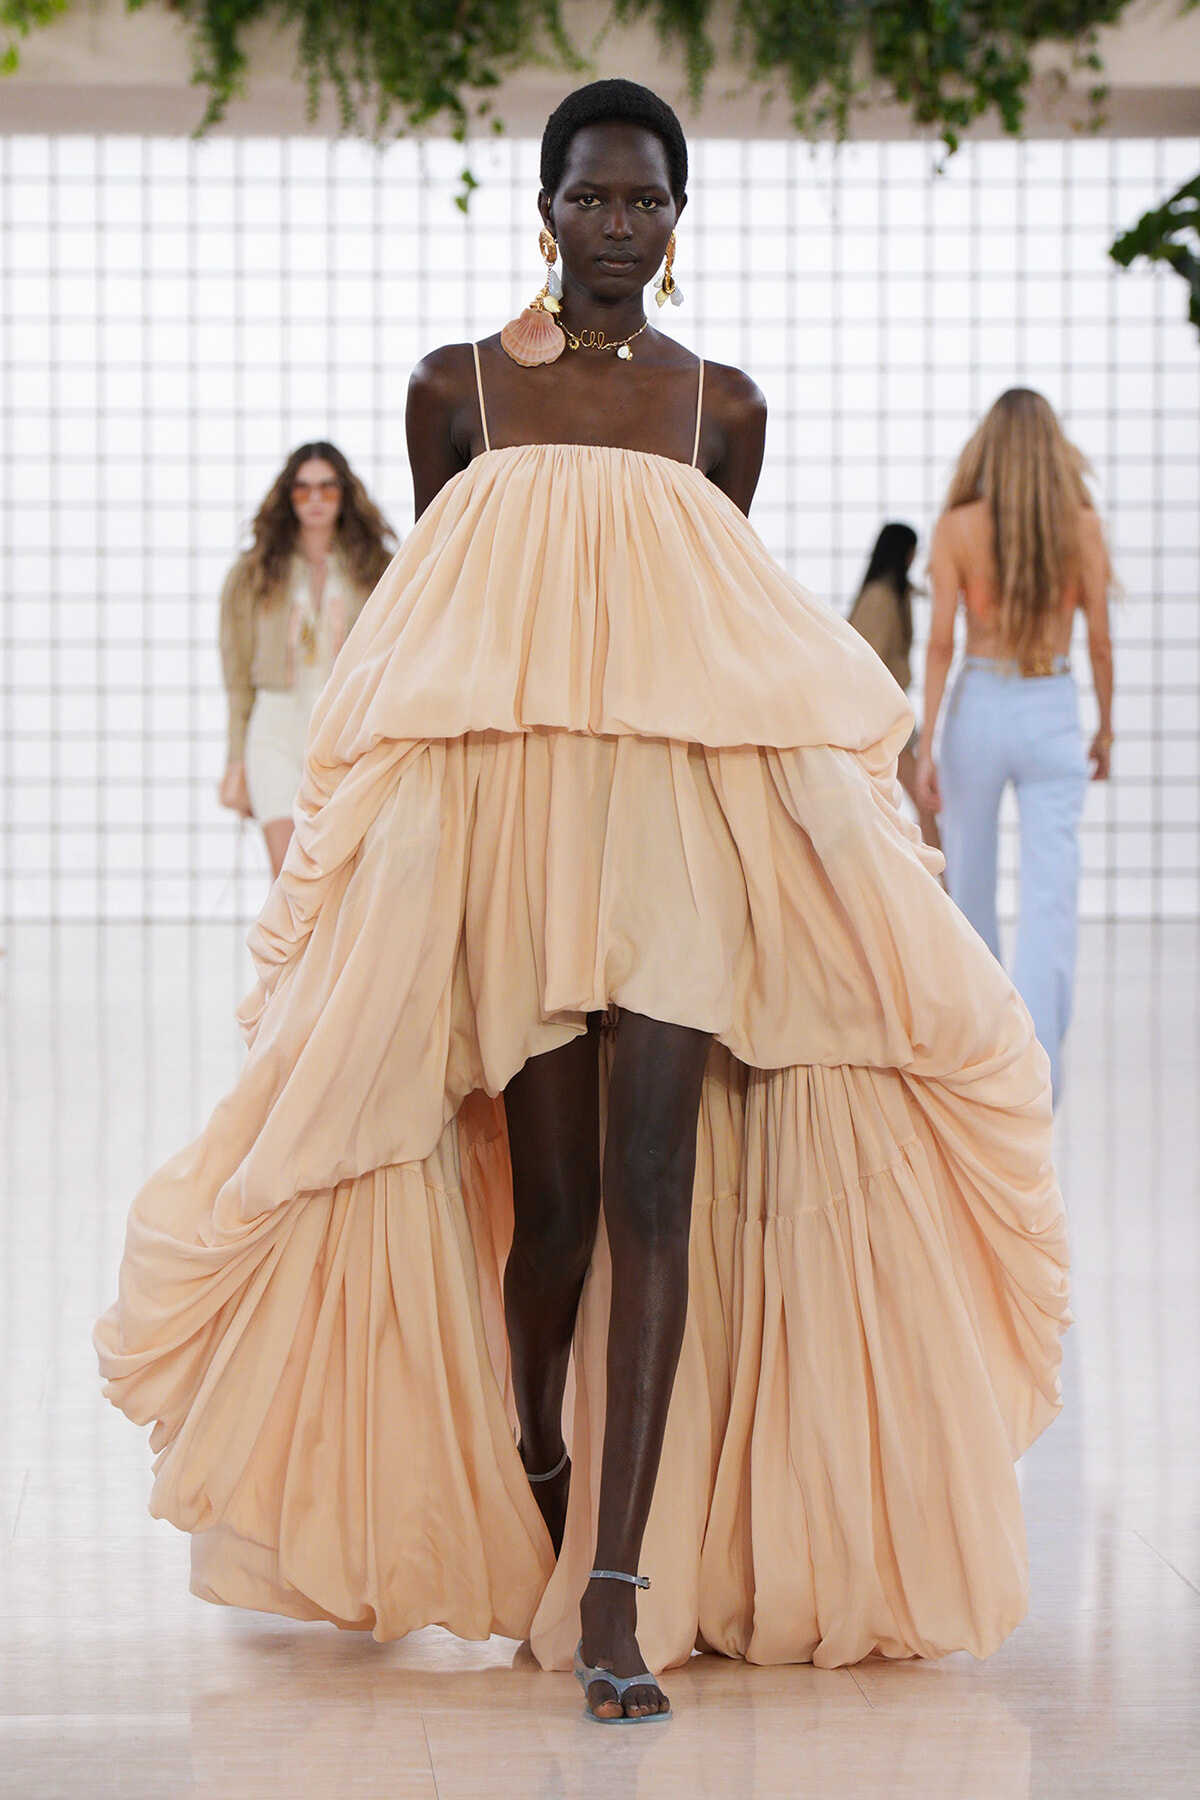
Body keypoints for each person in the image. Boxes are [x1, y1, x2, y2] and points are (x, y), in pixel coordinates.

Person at [98, 83, 1070, 1726]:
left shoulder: (724, 411)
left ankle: (616, 1580)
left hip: (678, 850)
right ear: (543, 209)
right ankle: (536, 1445)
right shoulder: (453, 393)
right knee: (549, 1220)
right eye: (593, 199)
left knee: (658, 1192)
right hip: (519, 852)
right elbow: (434, 633)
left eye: (647, 204)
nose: (619, 227)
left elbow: (708, 638)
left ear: (677, 223)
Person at [915, 389, 1113, 1100]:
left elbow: (940, 644)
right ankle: (1040, 1075)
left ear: (986, 448)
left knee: (967, 884)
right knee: (1051, 895)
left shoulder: (957, 528)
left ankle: (981, 1065)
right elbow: (1099, 642)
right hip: (1051, 700)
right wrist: (1106, 729)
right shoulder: (1083, 526)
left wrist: (929, 745)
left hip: (980, 702)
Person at [217, 443, 395, 876]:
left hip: (346, 732)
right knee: (287, 878)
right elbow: (238, 676)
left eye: (327, 488)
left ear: (345, 495)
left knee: (339, 877)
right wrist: (236, 759)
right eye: (303, 489)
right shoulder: (254, 573)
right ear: (288, 496)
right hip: (274, 729)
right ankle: (289, 949)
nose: (315, 500)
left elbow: (397, 659)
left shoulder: (378, 569)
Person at [847, 522, 941, 851]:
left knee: (915, 798)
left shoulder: (889, 593)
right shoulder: (881, 598)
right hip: (878, 716)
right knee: (921, 797)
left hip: (885, 712)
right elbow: (864, 662)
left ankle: (945, 883)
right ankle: (947, 886)